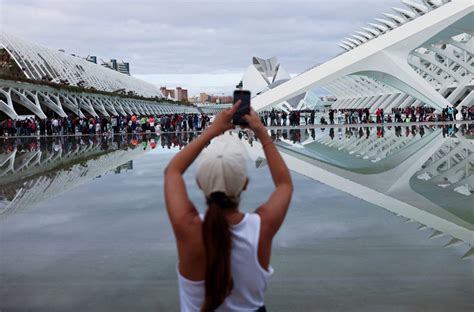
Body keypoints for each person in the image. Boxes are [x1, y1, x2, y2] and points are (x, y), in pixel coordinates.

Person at [164, 102, 293, 312]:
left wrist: (213, 130)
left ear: (199, 183)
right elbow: (284, 184)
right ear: (245, 183)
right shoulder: (260, 228)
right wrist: (261, 132)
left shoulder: (188, 229)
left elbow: (173, 171)